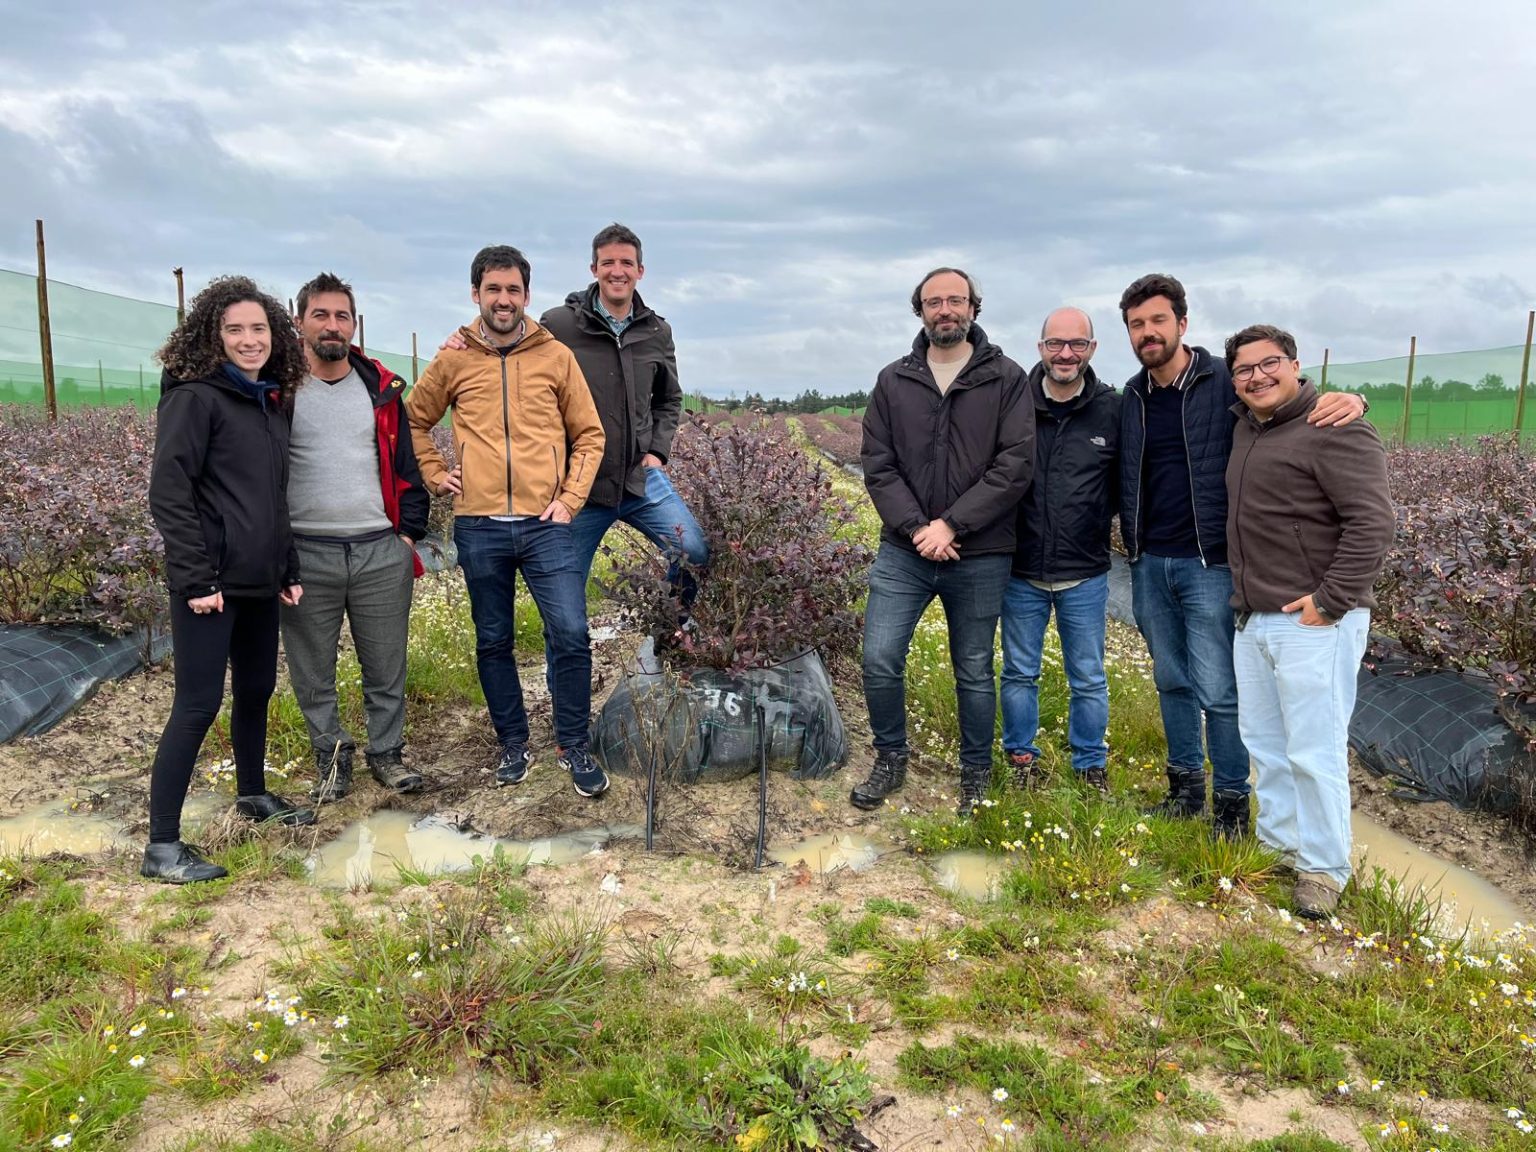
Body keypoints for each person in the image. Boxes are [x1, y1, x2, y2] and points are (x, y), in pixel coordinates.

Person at [1117, 273, 1365, 838]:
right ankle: (1184, 789)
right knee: (1171, 678)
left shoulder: (1223, 382)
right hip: (1148, 562)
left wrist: (1352, 396)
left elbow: (1292, 400)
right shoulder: (1129, 397)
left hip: (1210, 564)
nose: (1148, 332)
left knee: (1219, 688)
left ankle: (1231, 801)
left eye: (1159, 320)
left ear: (1183, 323)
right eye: (1137, 324)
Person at [405, 246, 608, 796]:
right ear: (476, 294)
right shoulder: (453, 358)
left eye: (513, 290)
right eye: (493, 289)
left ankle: (573, 743)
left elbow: (589, 434)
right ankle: (513, 744)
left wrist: (568, 499)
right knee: (492, 640)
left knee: (570, 633)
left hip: (548, 524)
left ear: (526, 296)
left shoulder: (555, 356)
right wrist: (432, 471)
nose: (503, 299)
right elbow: (414, 421)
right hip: (479, 524)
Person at [144, 276, 315, 884]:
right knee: (196, 705)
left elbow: (272, 497)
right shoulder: (196, 398)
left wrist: (285, 567)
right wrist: (196, 579)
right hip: (210, 584)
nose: (249, 340)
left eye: (259, 329)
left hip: (258, 581)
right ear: (212, 336)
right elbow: (169, 492)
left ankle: (252, 795)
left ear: (276, 336)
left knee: (257, 690)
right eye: (234, 330)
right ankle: (162, 844)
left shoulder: (268, 400)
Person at [1225, 324, 1393, 918]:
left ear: (1295, 365)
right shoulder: (1247, 427)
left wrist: (1332, 599)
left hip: (1313, 621)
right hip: (1255, 618)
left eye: (1269, 364)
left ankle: (1323, 868)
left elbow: (1373, 523)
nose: (1257, 377)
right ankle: (1277, 847)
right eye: (1244, 370)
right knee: (1267, 747)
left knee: (1314, 749)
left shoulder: (1334, 426)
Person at [853, 267, 1034, 817]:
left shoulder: (1006, 378)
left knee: (974, 668)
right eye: (935, 302)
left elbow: (1015, 465)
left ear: (974, 308)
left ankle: (975, 774)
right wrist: (917, 528)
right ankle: (890, 757)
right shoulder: (894, 380)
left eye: (956, 300)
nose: (945, 310)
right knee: (879, 657)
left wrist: (952, 524)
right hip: (904, 552)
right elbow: (878, 465)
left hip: (980, 552)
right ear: (921, 311)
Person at [281, 272, 429, 803]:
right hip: (306, 553)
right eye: (320, 314)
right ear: (299, 322)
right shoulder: (278, 391)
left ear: (354, 324)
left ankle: (387, 755)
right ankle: (332, 756)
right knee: (312, 668)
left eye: (342, 315)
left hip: (377, 550)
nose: (332, 324)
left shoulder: (380, 390)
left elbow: (407, 468)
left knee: (386, 664)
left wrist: (407, 537)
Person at [538, 223, 708, 603]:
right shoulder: (558, 325)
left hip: (639, 478)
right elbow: (514, 357)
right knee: (564, 596)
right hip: (579, 485)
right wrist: (466, 341)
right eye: (608, 262)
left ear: (640, 271)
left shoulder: (657, 331)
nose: (618, 271)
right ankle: (564, 661)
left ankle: (669, 632)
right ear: (594, 269)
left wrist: (657, 452)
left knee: (694, 553)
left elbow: (669, 399)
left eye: (627, 263)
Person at [1000, 307, 1118, 794]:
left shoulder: (1114, 408)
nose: (1065, 353)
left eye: (1077, 344)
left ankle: (1090, 763)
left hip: (1084, 571)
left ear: (1091, 349)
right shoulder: (1012, 404)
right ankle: (1021, 755)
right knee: (1018, 672)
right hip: (1020, 569)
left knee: (1088, 676)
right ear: (1040, 347)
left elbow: (1124, 481)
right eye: (1055, 343)